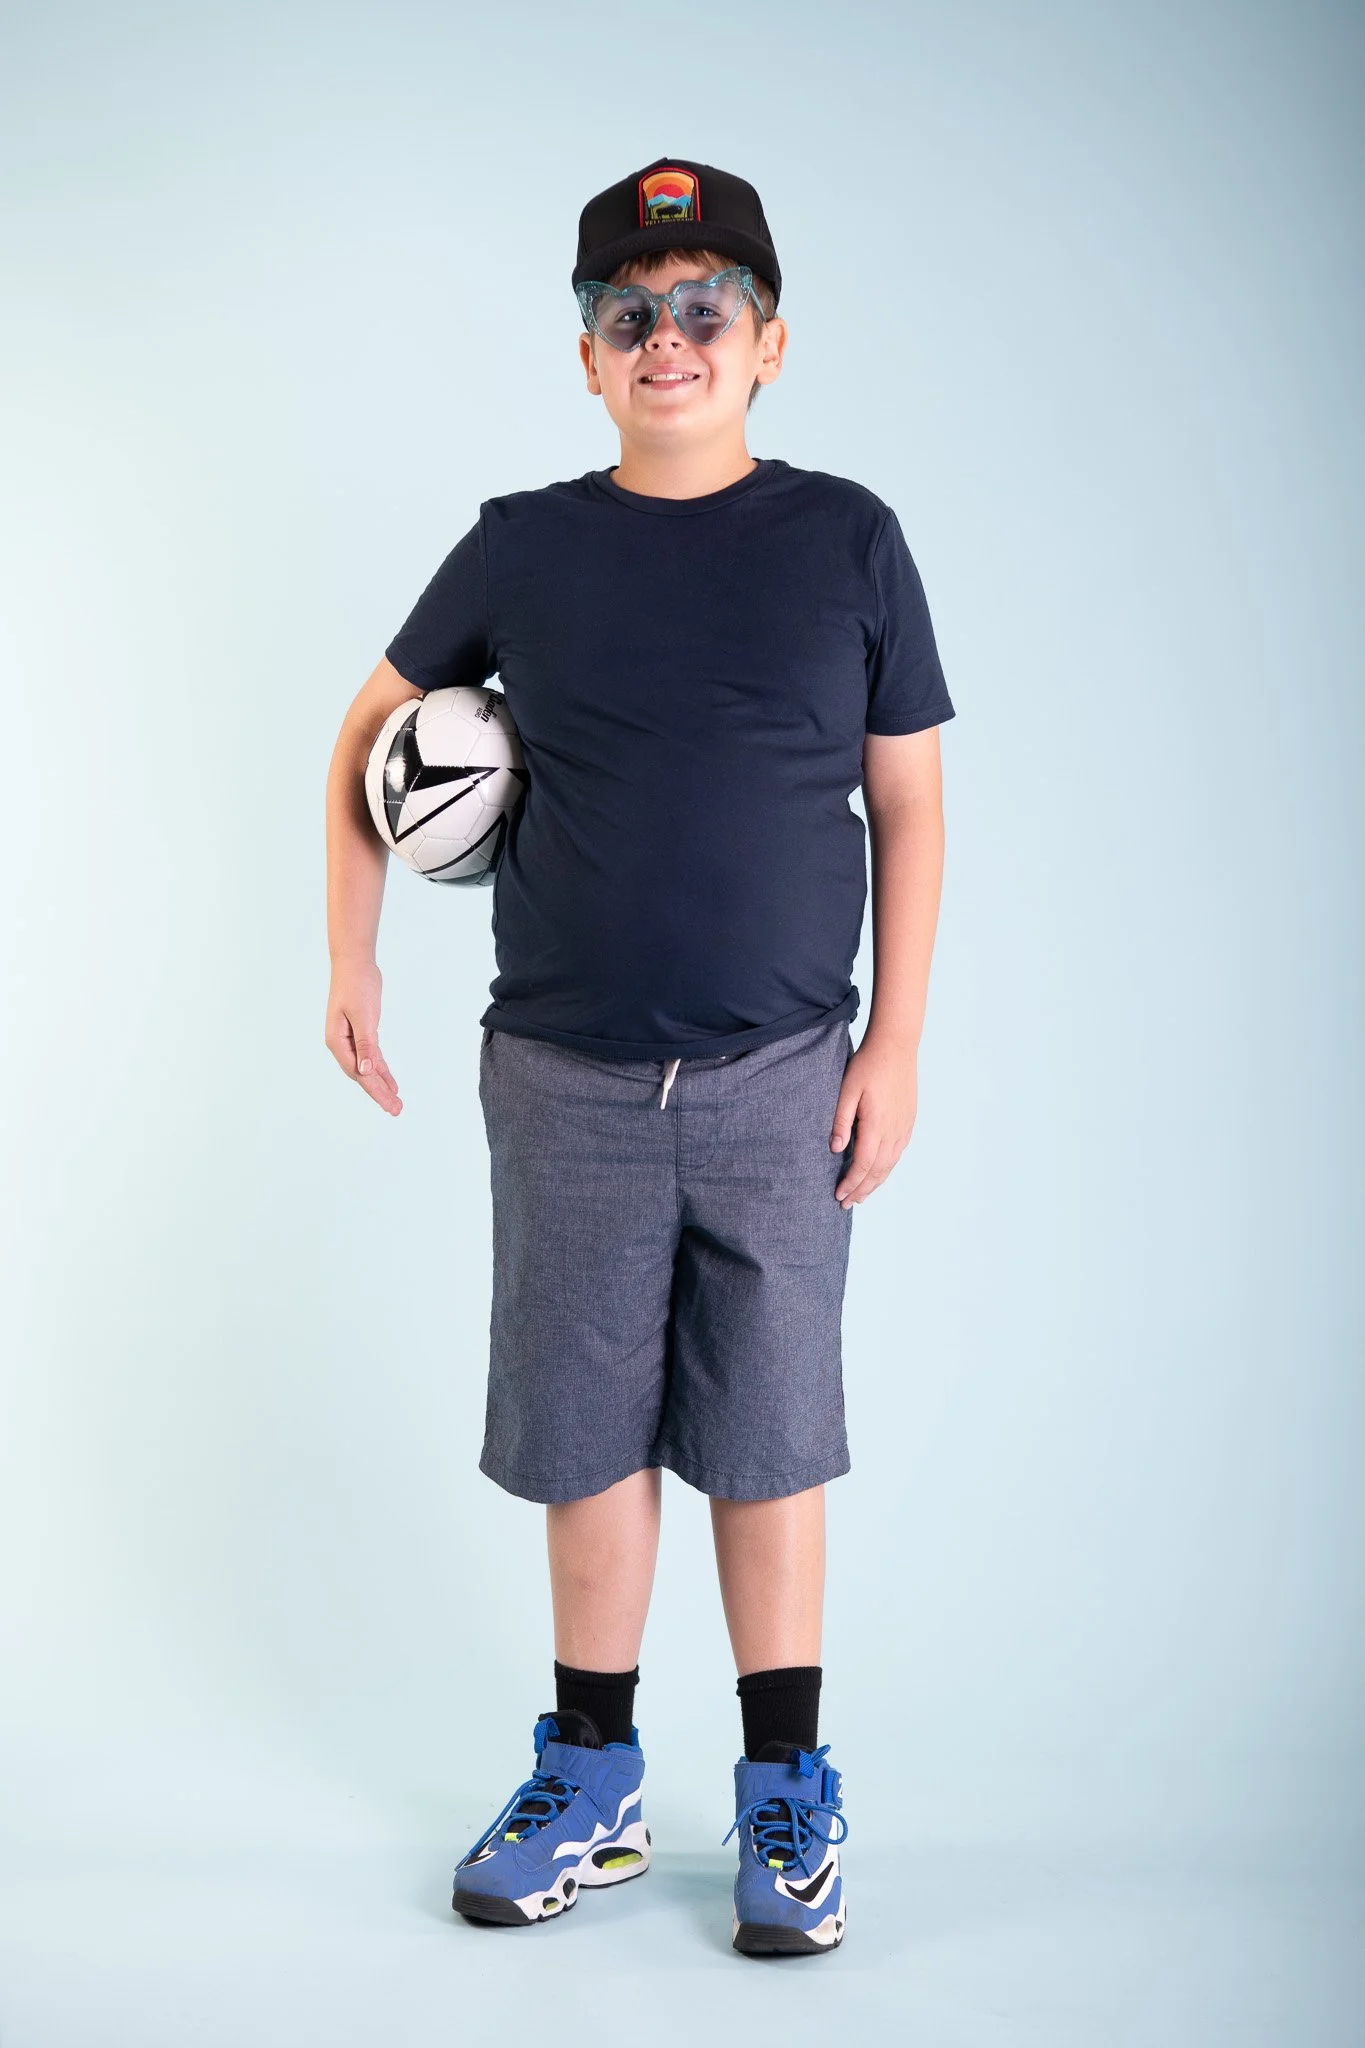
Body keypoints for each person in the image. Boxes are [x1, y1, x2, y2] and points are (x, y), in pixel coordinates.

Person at [323, 155, 955, 1957]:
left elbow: (907, 800)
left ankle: (785, 1790)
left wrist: (895, 1042)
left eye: (702, 310)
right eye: (629, 314)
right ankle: (591, 1776)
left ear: (766, 344)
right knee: (589, 1434)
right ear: (587, 357)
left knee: (767, 1438)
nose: (665, 338)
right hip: (566, 1080)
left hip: (779, 1074)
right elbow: (369, 730)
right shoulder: (526, 543)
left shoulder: (847, 539)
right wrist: (348, 946)